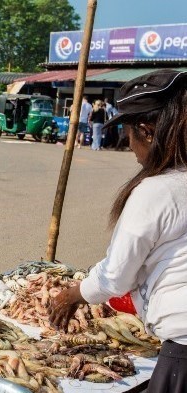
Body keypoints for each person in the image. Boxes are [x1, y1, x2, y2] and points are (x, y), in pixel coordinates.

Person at [49, 69, 187, 392]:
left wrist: (73, 294)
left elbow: (115, 277)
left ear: (147, 130)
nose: (128, 143)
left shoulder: (156, 191)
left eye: (128, 131)